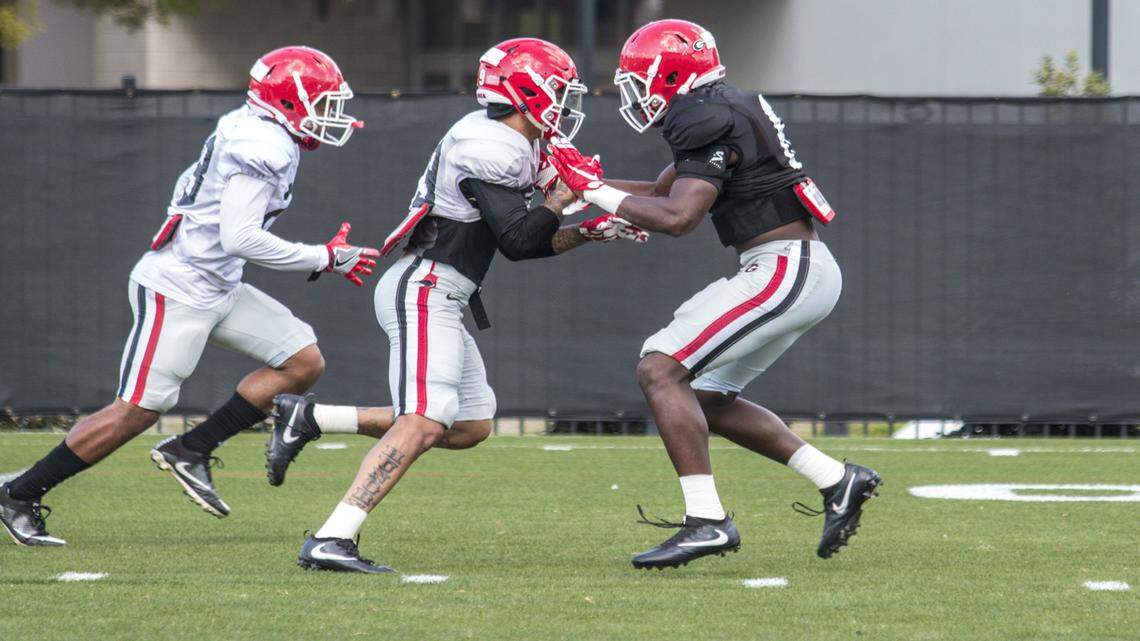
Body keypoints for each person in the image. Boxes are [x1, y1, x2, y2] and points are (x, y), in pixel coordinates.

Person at [283, 37, 647, 573]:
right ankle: (333, 538)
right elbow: (521, 240)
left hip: (445, 293)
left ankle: (311, 418)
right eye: (559, 90)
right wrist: (562, 198)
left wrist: (587, 232)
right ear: (526, 90)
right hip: (424, 286)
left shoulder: (517, 141)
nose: (568, 103)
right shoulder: (487, 145)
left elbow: (529, 238)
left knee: (470, 423)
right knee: (425, 419)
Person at [0, 46, 378, 547]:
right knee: (136, 410)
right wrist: (322, 257)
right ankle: (19, 493)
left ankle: (191, 449)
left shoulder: (259, 129)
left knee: (301, 359)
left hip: (216, 283)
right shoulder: (263, 144)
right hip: (178, 287)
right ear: (289, 100)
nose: (330, 114)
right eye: (322, 101)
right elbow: (240, 238)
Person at [546, 19, 882, 569]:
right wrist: (577, 189)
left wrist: (590, 190)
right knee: (701, 399)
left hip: (783, 267)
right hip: (795, 266)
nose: (635, 91)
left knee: (659, 368)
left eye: (639, 78)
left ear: (672, 74)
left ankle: (706, 522)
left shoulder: (700, 113)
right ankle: (839, 480)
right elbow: (659, 195)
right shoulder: (720, 104)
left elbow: (677, 218)